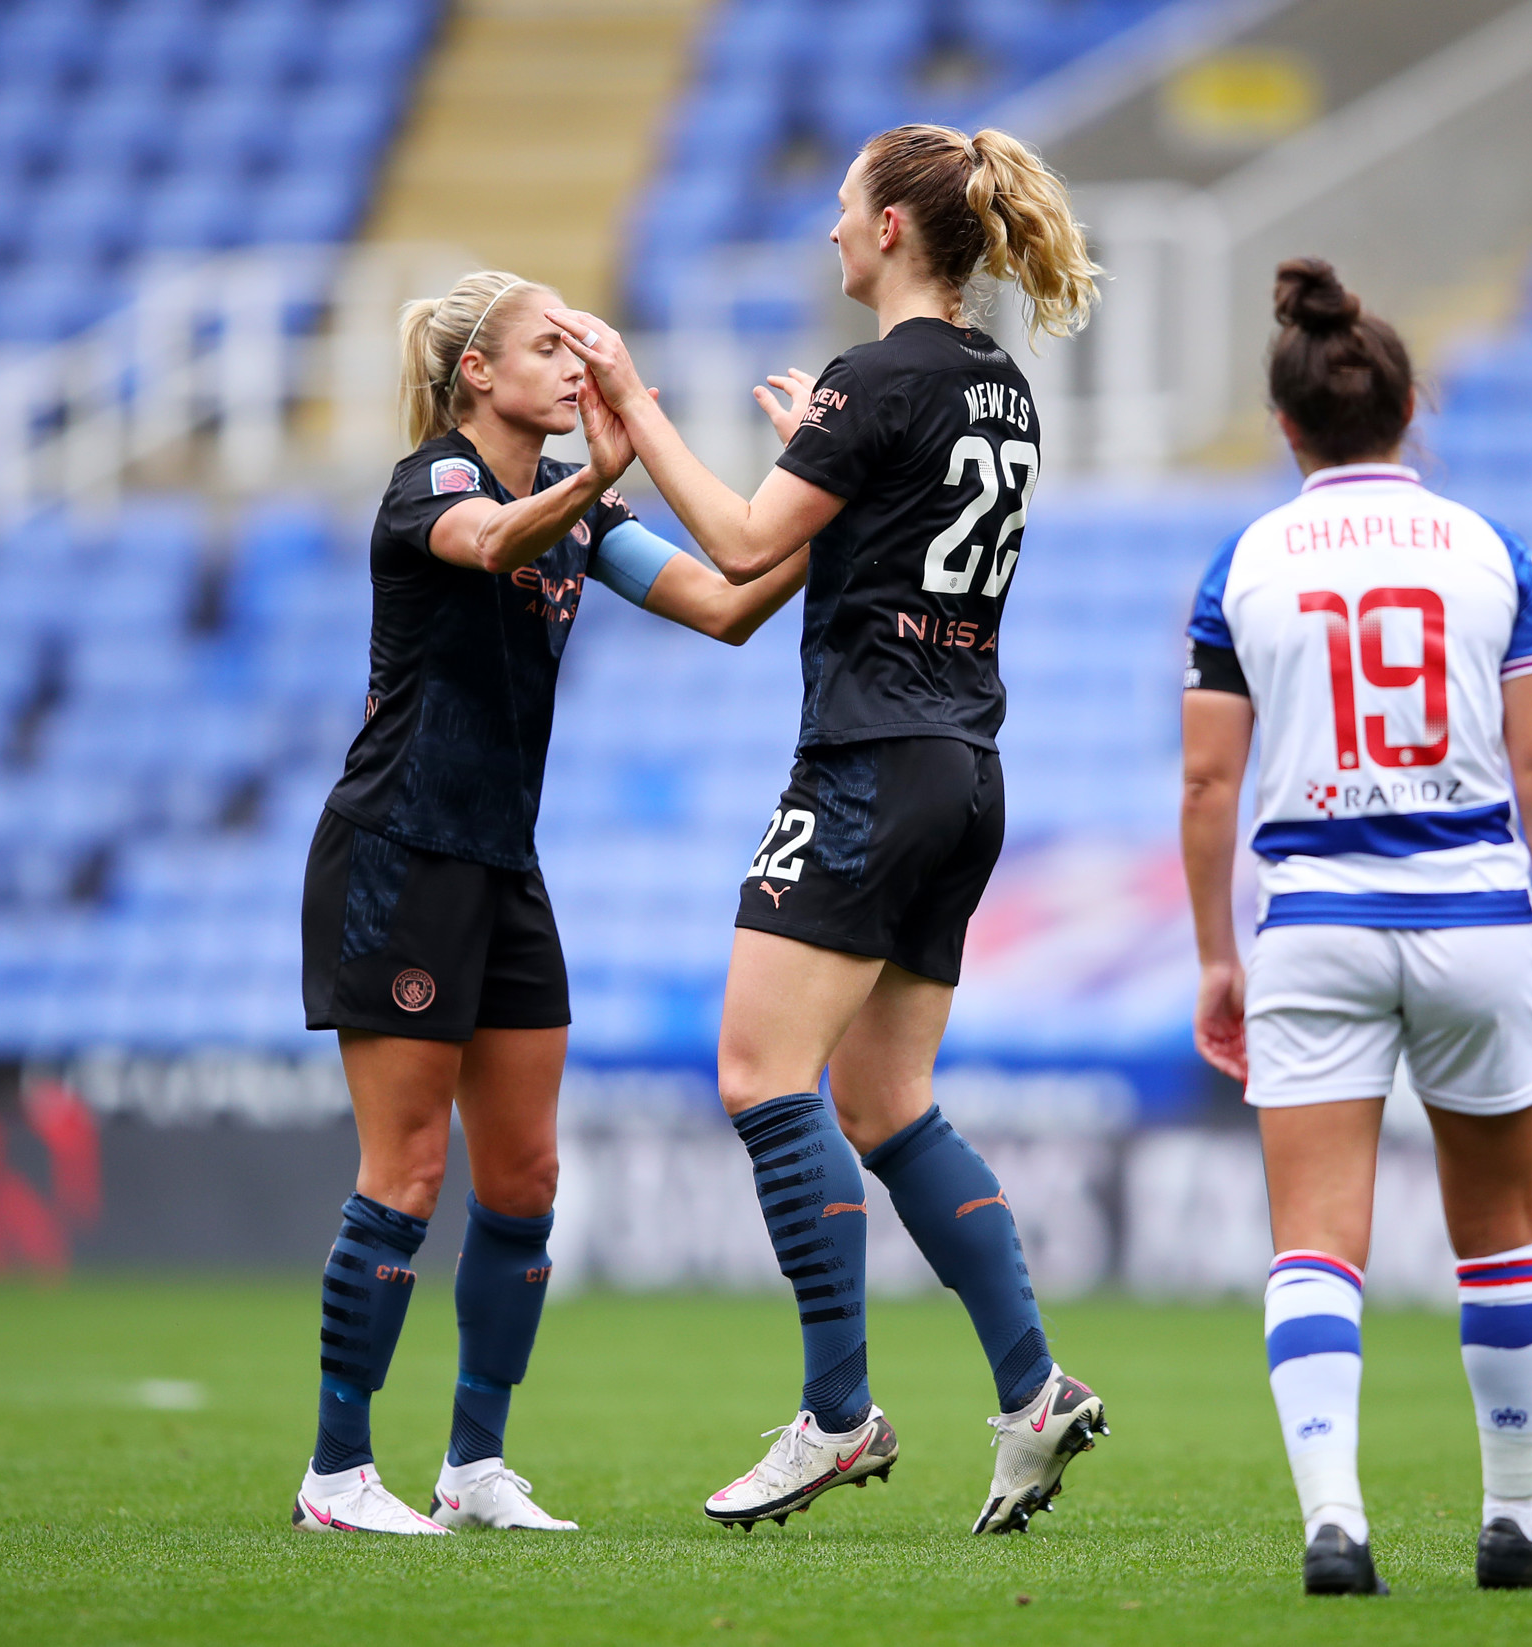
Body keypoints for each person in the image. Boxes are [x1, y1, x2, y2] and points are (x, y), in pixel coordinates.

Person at [545, 124, 1110, 1534]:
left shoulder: (882, 377)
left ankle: (839, 1413)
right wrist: (607, 528)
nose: (830, 229)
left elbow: (742, 544)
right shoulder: (1000, 389)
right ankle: (1034, 1386)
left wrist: (625, 398)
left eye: (845, 208)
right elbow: (777, 577)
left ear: (897, 233)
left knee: (759, 1068)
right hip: (967, 770)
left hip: (867, 763)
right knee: (883, 1100)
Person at [290, 270, 810, 1535]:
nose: (581, 366)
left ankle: (472, 1466)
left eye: (587, 346)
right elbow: (487, 542)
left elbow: (730, 606)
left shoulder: (577, 515)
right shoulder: (437, 485)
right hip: (399, 857)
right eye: (551, 347)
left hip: (504, 868)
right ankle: (337, 1476)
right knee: (408, 1171)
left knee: (523, 1176)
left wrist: (833, 506)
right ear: (478, 373)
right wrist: (593, 482)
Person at [1180, 258, 1532, 1596]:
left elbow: (1205, 783)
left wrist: (1214, 954)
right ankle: (1513, 1524)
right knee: (1505, 1231)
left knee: (1316, 1240)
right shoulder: (1491, 551)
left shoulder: (1243, 562)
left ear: (1286, 424)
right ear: (1410, 409)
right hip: (1475, 911)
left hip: (1315, 920)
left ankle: (1336, 1522)